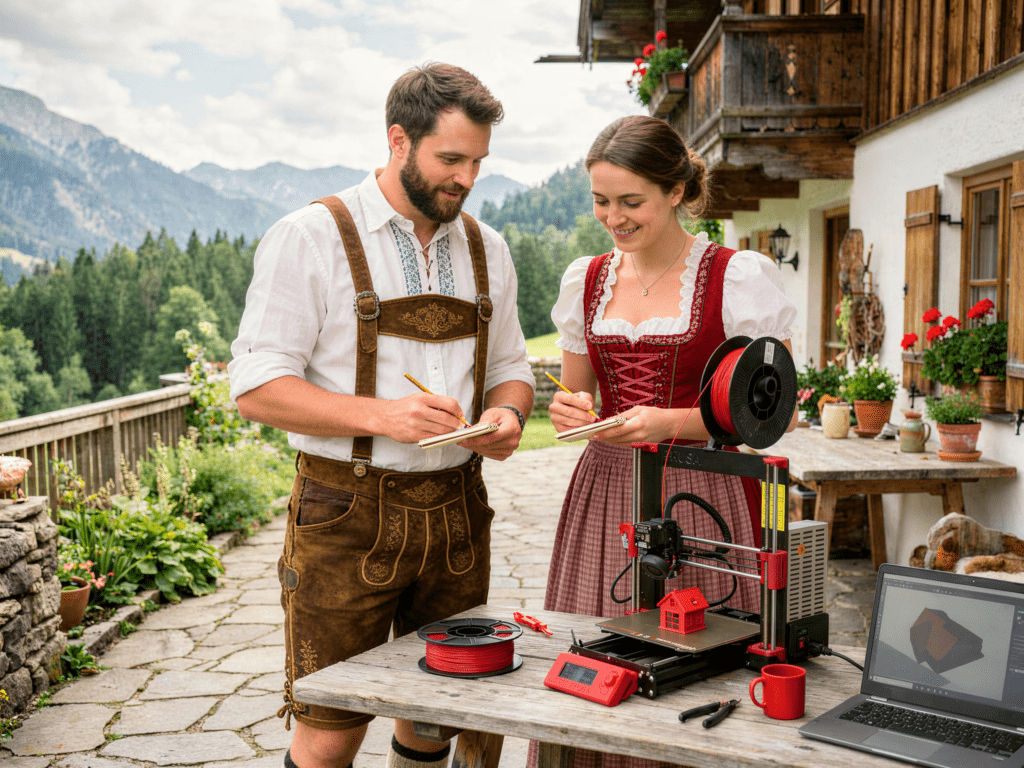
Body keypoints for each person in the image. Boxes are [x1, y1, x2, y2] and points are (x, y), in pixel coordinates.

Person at [228, 64, 535, 768]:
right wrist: (384, 417)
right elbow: (256, 387)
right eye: (450, 159)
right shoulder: (311, 236)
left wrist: (507, 416)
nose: (466, 178)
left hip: (458, 506)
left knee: (439, 716)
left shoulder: (489, 248)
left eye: (478, 162)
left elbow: (512, 370)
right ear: (399, 140)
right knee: (333, 727)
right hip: (345, 511)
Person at [542, 115, 797, 767]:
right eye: (601, 200)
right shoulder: (586, 278)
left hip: (704, 488)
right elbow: (580, 398)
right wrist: (571, 413)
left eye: (632, 202)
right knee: (602, 668)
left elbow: (772, 417)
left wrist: (669, 422)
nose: (613, 217)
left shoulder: (737, 276)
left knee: (698, 667)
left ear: (677, 191)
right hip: (606, 494)